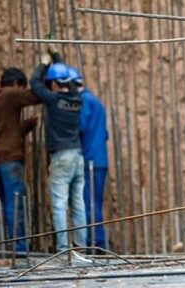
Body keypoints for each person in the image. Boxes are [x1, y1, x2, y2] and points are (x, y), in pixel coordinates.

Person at [29, 54, 87, 253]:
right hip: (78, 156)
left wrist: (44, 62)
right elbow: (68, 80)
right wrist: (56, 57)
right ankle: (80, 247)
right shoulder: (77, 99)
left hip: (61, 156)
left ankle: (63, 249)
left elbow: (34, 83)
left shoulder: (53, 100)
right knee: (78, 204)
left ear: (53, 83)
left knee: (60, 205)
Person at [0, 68, 39, 252]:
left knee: (8, 205)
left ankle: (15, 246)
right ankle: (19, 249)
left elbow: (3, 132)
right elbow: (36, 95)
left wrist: (26, 125)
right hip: (10, 160)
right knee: (15, 204)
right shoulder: (10, 94)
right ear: (17, 84)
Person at [68, 66, 108, 249]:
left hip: (89, 160)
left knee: (89, 203)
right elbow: (104, 133)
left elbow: (80, 127)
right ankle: (97, 242)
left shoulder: (83, 102)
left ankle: (96, 244)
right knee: (95, 202)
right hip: (100, 159)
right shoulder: (96, 101)